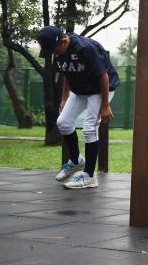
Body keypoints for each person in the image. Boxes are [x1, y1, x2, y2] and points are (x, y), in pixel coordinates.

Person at [37, 26, 119, 189]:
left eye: (53, 49)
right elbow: (67, 73)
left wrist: (105, 105)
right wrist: (64, 98)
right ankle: (76, 161)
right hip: (80, 90)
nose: (53, 53)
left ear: (63, 41)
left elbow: (103, 76)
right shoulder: (59, 53)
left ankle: (89, 176)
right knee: (63, 122)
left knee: (89, 128)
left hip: (101, 89)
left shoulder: (85, 48)